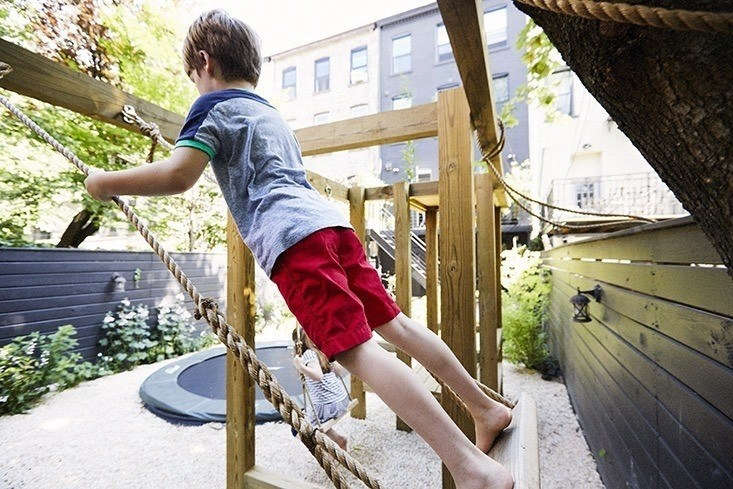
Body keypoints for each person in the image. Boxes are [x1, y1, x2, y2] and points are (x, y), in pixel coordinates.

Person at [84, 10, 513, 489]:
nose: (194, 86)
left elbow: (178, 175)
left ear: (203, 62)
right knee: (399, 326)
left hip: (294, 241)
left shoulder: (212, 108)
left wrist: (104, 182)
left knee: (359, 353)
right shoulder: (270, 113)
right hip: (332, 226)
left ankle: (470, 468)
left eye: (192, 77)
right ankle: (484, 406)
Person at [292, 328, 349, 450]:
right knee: (316, 420)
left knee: (297, 429)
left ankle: (327, 448)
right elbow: (340, 372)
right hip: (342, 401)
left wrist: (300, 367)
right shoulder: (322, 351)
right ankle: (339, 440)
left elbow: (318, 376)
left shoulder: (308, 354)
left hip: (328, 407)